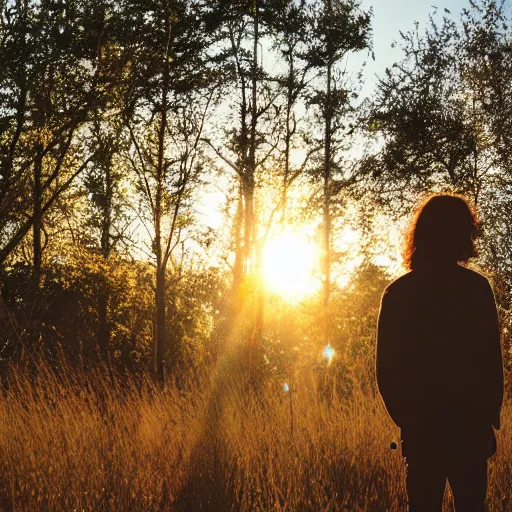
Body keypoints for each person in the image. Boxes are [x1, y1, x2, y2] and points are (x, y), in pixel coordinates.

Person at [376, 194, 504, 512]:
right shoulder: (476, 289)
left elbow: (386, 371)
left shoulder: (398, 293)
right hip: (468, 429)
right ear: (462, 234)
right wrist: (489, 418)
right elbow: (491, 361)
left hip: (424, 432)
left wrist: (408, 422)